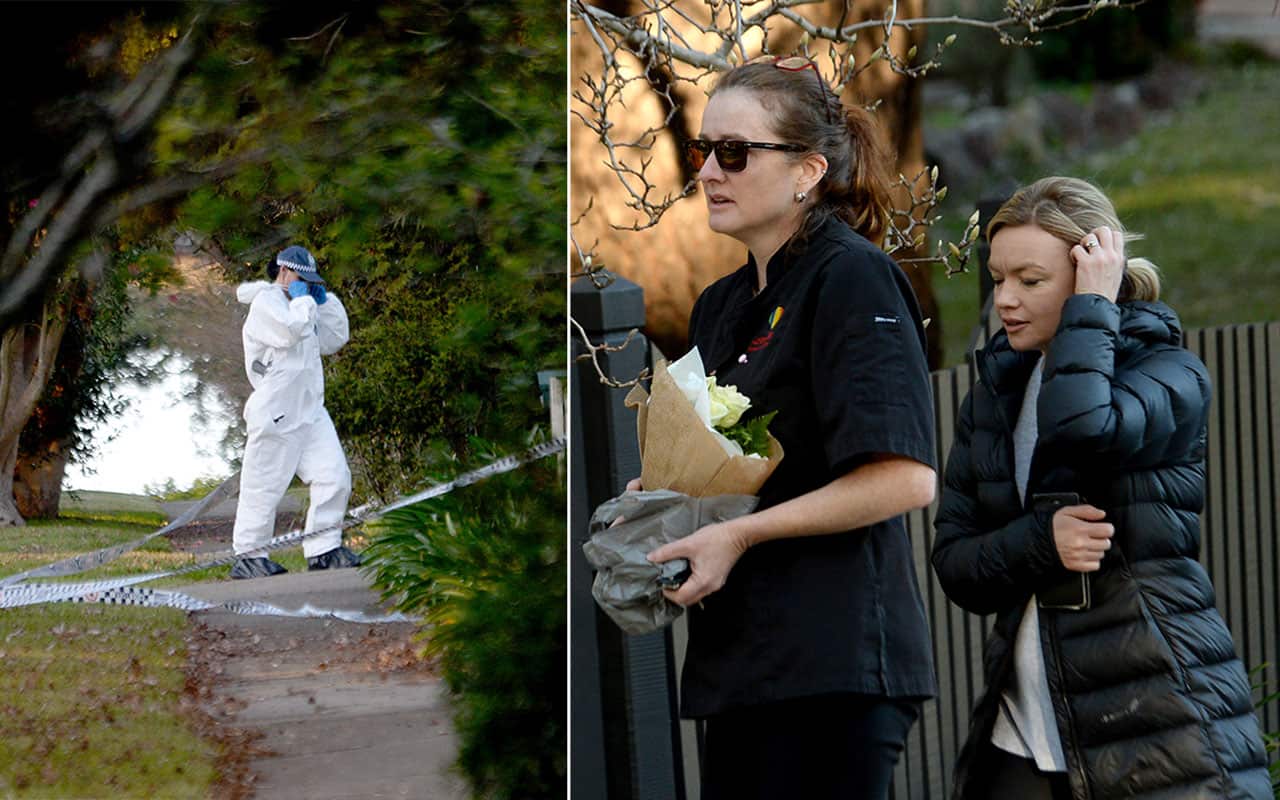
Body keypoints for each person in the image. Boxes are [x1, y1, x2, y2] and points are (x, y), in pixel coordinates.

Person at [639, 57, 939, 799]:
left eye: (735, 153)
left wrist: (736, 535)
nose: (708, 170)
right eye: (703, 149)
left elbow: (905, 477)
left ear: (807, 171)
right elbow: (731, 470)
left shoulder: (853, 278)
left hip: (832, 670)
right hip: (741, 667)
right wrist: (667, 496)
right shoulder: (719, 306)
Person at [931, 177, 1271, 799]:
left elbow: (1083, 429)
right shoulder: (994, 395)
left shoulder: (1169, 372)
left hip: (1151, 718)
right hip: (1021, 727)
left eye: (1030, 281)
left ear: (1096, 272)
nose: (1005, 299)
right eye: (998, 277)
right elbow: (956, 562)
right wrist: (1042, 540)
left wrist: (1092, 309)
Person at [230, 245, 362, 579]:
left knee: (334, 475)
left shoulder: (303, 304)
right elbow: (289, 333)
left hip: (311, 409)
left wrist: (323, 301)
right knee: (264, 485)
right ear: (286, 273)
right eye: (305, 279)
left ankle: (323, 549)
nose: (309, 285)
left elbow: (334, 339)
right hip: (277, 411)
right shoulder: (267, 304)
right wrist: (303, 302)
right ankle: (249, 556)